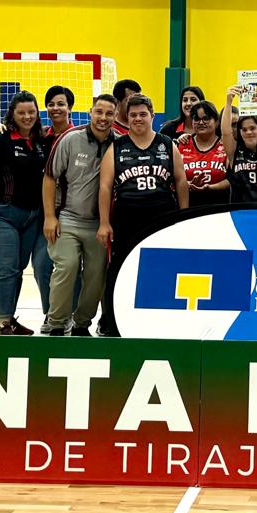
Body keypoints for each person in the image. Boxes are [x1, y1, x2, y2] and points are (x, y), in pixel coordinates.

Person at [97, 94, 188, 335]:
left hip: (162, 215)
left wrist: (183, 215)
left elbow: (181, 181)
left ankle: (159, 318)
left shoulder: (167, 144)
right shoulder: (117, 146)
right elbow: (105, 186)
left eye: (143, 114)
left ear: (152, 116)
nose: (138, 119)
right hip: (127, 216)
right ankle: (111, 322)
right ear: (127, 118)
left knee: (162, 267)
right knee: (119, 268)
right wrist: (104, 223)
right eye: (133, 115)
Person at [0, 90, 52, 336]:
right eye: (21, 113)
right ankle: (4, 323)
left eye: (31, 112)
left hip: (32, 215)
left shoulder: (42, 139)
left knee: (17, 267)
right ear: (12, 114)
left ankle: (12, 320)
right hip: (1, 212)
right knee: (5, 268)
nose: (27, 116)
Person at [42, 92, 117, 337]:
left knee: (96, 276)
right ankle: (56, 323)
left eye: (108, 113)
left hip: (99, 225)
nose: (103, 118)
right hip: (68, 219)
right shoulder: (70, 139)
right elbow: (50, 177)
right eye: (99, 112)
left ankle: (82, 324)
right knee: (67, 266)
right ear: (90, 112)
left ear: (115, 116)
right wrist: (50, 217)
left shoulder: (120, 144)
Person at [177, 99, 229, 208]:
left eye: (206, 118)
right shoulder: (180, 145)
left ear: (216, 122)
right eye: (196, 119)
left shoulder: (226, 146)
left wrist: (210, 187)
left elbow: (232, 180)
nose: (201, 122)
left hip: (219, 209)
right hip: (189, 207)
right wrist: (188, 184)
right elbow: (173, 179)